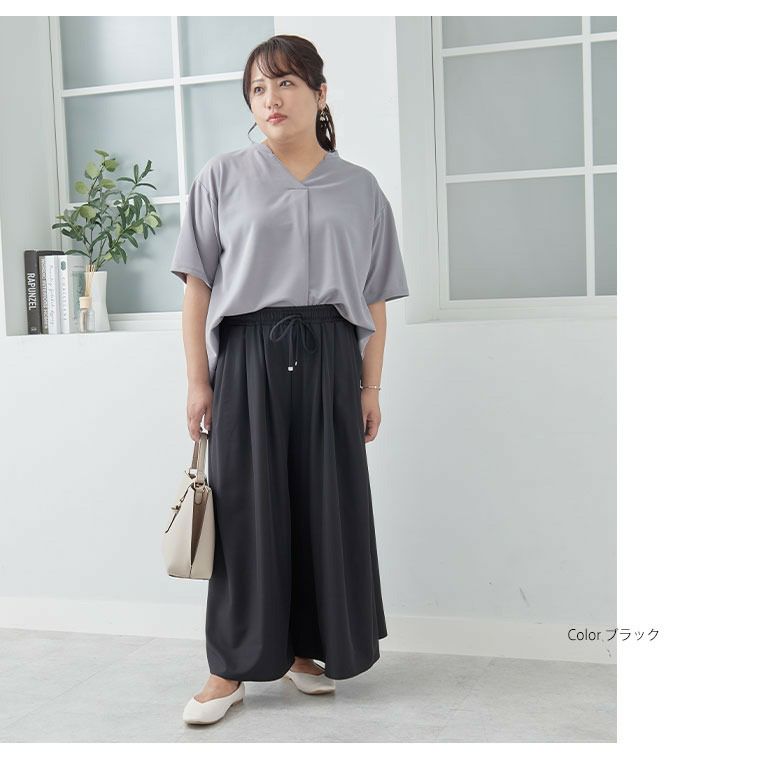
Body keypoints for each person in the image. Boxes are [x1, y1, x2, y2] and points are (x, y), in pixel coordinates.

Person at [170, 35, 409, 726]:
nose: (270, 99)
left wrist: (370, 388)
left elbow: (374, 300)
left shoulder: (360, 188)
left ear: (319, 93)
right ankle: (229, 669)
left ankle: (306, 650)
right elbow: (197, 288)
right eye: (257, 89)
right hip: (247, 356)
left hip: (332, 356)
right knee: (246, 511)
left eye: (285, 84)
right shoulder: (222, 176)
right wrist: (198, 381)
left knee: (322, 506)